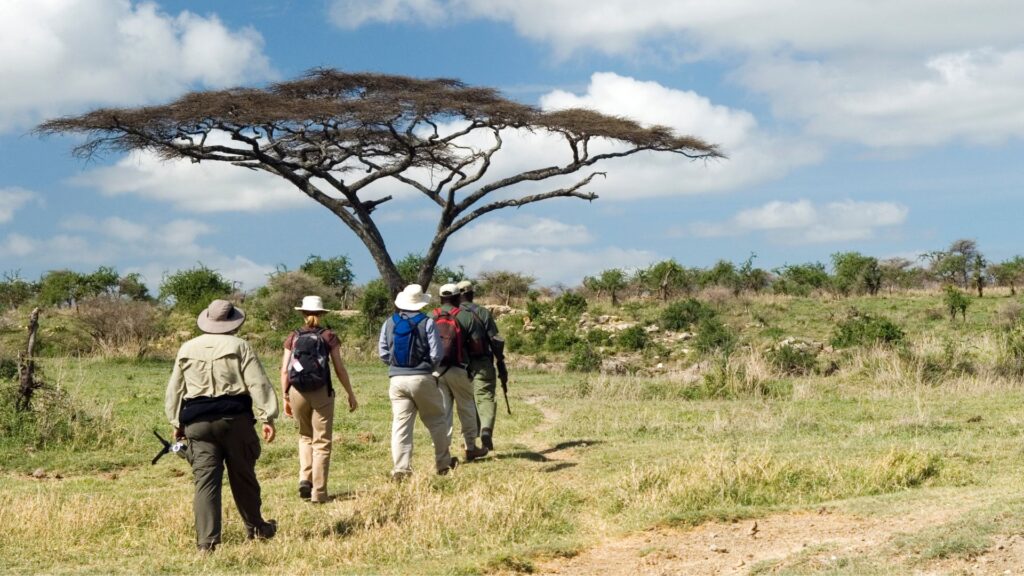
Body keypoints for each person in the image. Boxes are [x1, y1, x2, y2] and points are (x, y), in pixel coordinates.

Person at [165, 299, 279, 552]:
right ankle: (257, 529)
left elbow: (175, 388)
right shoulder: (240, 346)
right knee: (243, 477)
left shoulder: (187, 348)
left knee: (205, 483)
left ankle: (207, 543)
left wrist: (176, 422)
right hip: (235, 421)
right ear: (232, 322)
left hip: (197, 423)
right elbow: (257, 383)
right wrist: (267, 417)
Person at [280, 295, 358, 504]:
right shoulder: (328, 336)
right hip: (322, 391)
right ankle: (319, 493)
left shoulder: (293, 336)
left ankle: (304, 478)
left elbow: (285, 370)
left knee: (305, 436)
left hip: (297, 391)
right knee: (321, 442)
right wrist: (350, 393)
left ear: (303, 313)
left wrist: (285, 396)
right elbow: (339, 368)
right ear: (322, 314)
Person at [379, 284, 457, 479]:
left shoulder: (389, 322)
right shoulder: (427, 322)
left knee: (401, 425)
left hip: (397, 379)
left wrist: (396, 366)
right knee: (436, 420)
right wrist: (428, 368)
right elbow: (437, 353)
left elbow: (383, 352)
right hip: (422, 377)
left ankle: (401, 468)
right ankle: (443, 463)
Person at [430, 284, 488, 462]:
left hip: (437, 370)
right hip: (459, 368)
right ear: (457, 298)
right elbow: (476, 346)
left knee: (443, 411)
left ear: (440, 298)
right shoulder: (466, 316)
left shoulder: (431, 316)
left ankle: (443, 452)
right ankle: (470, 447)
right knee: (466, 408)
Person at [456, 279, 508, 451]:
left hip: (459, 364)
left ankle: (470, 440)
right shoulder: (482, 312)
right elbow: (495, 339)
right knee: (485, 396)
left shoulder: (453, 314)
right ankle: (486, 429)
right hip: (482, 362)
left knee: (466, 401)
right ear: (471, 294)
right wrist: (500, 361)